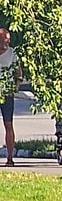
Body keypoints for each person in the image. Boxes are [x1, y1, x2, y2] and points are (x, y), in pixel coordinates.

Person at [0, 28, 20, 167]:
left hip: (6, 94)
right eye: (3, 39)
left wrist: (15, 88)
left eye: (7, 39)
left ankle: (10, 158)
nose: (6, 41)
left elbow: (18, 73)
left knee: (8, 124)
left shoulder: (13, 53)